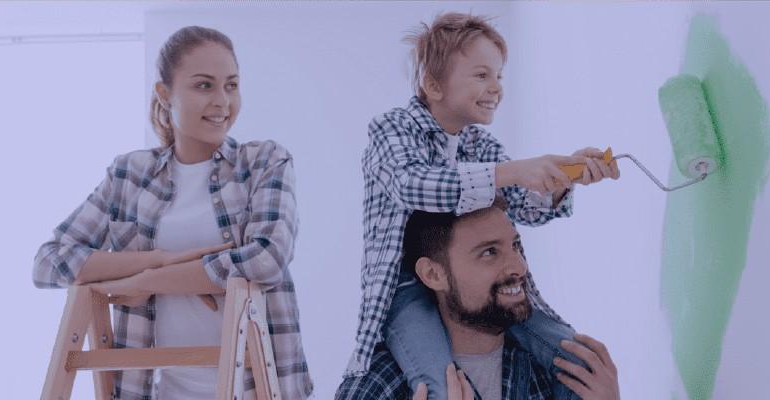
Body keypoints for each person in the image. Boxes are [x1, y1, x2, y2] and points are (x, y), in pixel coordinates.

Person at [349, 12, 620, 400]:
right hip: (405, 286)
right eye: (481, 75)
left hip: (466, 282)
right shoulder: (393, 129)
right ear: (433, 85)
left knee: (580, 365)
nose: (496, 87)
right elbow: (414, 187)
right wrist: (512, 172)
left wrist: (564, 178)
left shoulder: (481, 145)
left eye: (499, 76)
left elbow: (525, 207)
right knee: (441, 387)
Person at [32, 26, 312, 399]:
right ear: (165, 94)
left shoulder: (264, 162)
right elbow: (49, 263)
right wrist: (163, 260)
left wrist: (146, 282)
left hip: (252, 388)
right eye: (203, 85)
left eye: (231, 85)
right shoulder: (128, 175)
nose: (222, 102)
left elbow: (267, 258)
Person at [338, 200, 620, 399]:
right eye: (489, 253)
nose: (519, 267)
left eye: (516, 246)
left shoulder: (550, 369)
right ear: (433, 274)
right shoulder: (376, 385)